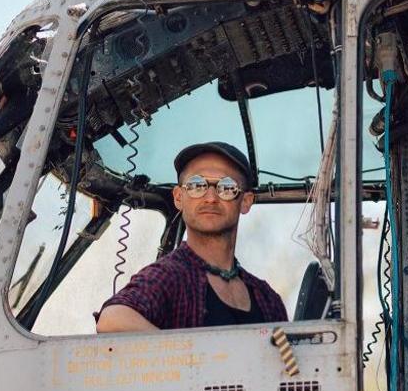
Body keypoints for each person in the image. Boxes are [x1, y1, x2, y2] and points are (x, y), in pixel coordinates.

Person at [97, 142, 288, 332]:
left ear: (245, 201)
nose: (211, 197)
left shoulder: (268, 299)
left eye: (226, 187)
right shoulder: (169, 276)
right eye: (197, 185)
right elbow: (112, 319)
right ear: (179, 197)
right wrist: (187, 359)